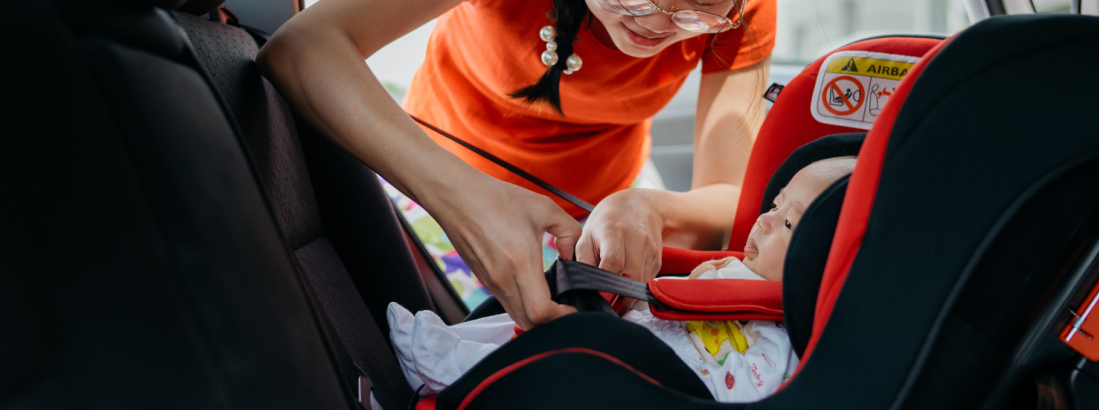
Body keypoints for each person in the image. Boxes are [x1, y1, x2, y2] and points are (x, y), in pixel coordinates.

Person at [257, 0, 776, 330]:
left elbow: (731, 189)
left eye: (696, 9)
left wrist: (650, 208)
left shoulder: (744, 10)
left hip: (609, 203)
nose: (656, 22)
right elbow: (303, 45)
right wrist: (467, 202)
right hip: (438, 183)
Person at [386, 157, 857, 402]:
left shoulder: (798, 328)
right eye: (774, 206)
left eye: (791, 224)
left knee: (581, 346)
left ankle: (458, 369)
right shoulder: (734, 265)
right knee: (556, 298)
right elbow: (681, 289)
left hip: (686, 379)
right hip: (656, 326)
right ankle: (454, 347)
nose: (765, 222)